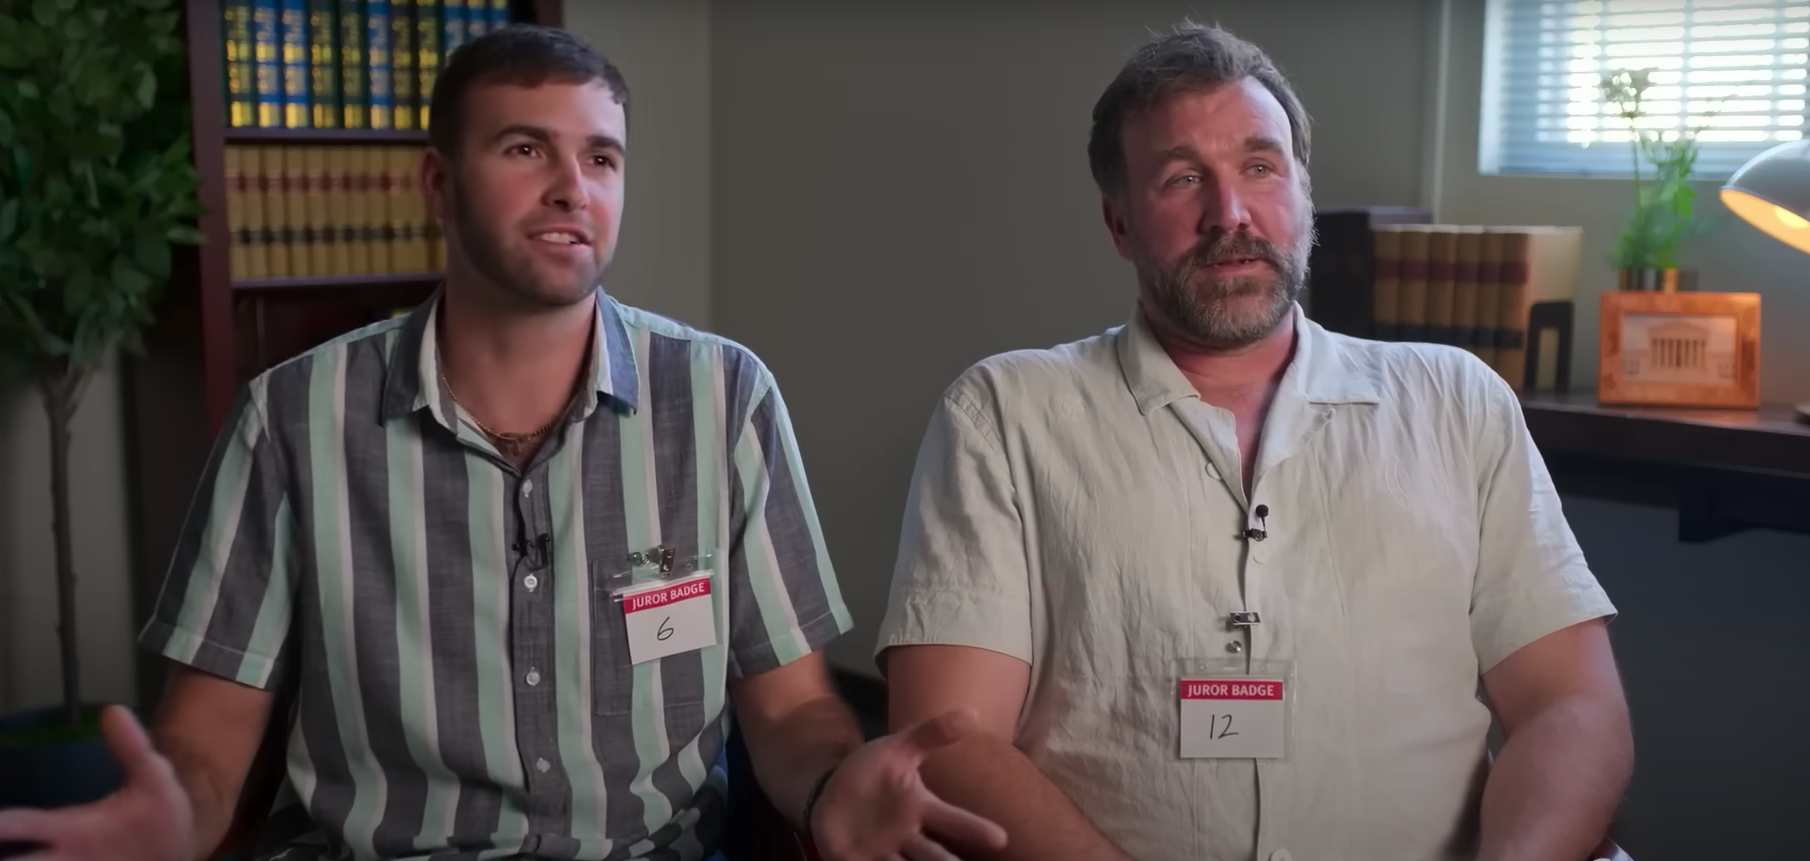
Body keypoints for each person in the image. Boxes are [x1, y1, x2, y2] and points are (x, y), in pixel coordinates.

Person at [0, 25, 1005, 861]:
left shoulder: (724, 397)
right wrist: (175, 817)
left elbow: (789, 713)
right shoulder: (292, 417)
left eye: (600, 158)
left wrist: (830, 787)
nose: (573, 186)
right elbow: (209, 747)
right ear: (438, 185)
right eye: (526, 150)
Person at [875, 19, 1633, 861]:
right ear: (1119, 224)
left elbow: (1572, 705)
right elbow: (948, 738)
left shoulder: (1458, 402)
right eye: (1181, 179)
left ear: (1304, 196)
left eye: (1260, 168)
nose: (1228, 214)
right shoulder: (1004, 414)